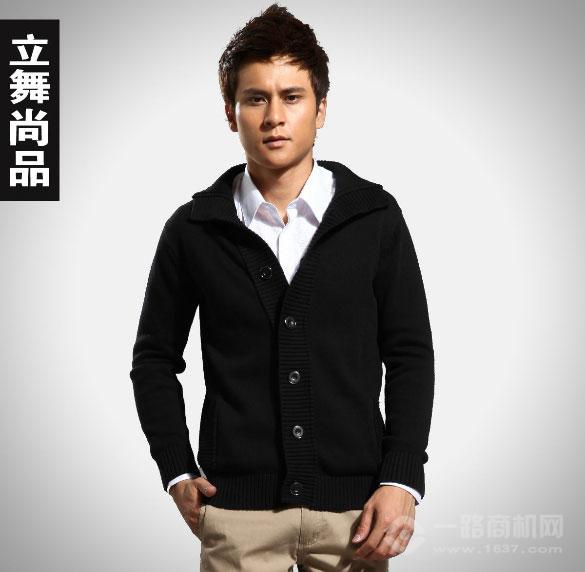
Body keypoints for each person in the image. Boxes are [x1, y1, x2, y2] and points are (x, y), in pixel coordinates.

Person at [130, 3, 435, 570]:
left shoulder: (374, 218)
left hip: (356, 512)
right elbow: (153, 359)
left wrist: (401, 478)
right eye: (256, 99)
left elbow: (410, 353)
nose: (274, 116)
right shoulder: (194, 229)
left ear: (321, 109)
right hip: (236, 511)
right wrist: (175, 468)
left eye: (292, 97)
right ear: (231, 113)